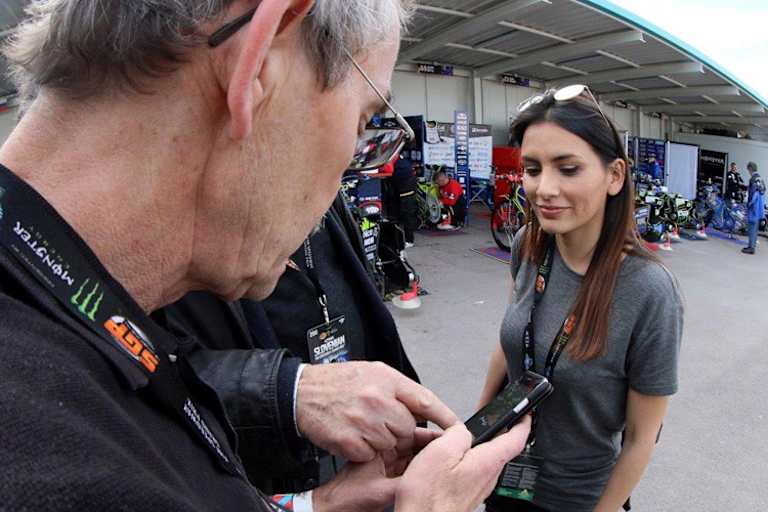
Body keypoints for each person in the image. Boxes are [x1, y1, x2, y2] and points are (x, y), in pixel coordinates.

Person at [0, 1, 530, 511]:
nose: (350, 165)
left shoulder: (70, 328)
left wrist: (316, 506)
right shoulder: (48, 459)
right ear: (259, 59)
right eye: (365, 121)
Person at [479, 86, 684, 512]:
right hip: (504, 477)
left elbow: (641, 437)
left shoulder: (649, 290)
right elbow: (509, 344)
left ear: (615, 176)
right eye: (532, 169)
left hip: (580, 500)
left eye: (568, 169)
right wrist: (474, 438)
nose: (544, 188)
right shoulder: (527, 245)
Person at [163, 190, 422, 493]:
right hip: (269, 463)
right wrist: (291, 391)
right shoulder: (182, 219)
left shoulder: (324, 193)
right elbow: (144, 366)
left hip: (359, 438)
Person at [393, 156, 419, 247]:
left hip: (406, 194)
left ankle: (409, 240)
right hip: (406, 193)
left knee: (407, 217)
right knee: (405, 217)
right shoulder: (402, 162)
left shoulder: (399, 164)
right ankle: (405, 239)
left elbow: (393, 176)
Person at [742, 161, 765, 255]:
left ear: (750, 169)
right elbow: (763, 192)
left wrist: (748, 204)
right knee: (755, 228)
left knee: (751, 227)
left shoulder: (753, 179)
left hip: (754, 207)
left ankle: (751, 248)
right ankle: (751, 246)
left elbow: (752, 194)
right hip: (759, 207)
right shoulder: (760, 178)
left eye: (748, 170)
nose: (748, 172)